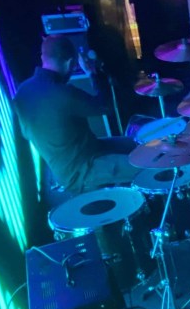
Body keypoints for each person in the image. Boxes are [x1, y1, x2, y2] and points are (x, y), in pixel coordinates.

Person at [14, 35, 139, 199]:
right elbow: (105, 106)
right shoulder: (63, 93)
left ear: (43, 57)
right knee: (148, 165)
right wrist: (92, 73)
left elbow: (25, 133)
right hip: (83, 171)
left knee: (137, 143)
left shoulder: (22, 91)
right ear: (69, 62)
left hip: (84, 155)